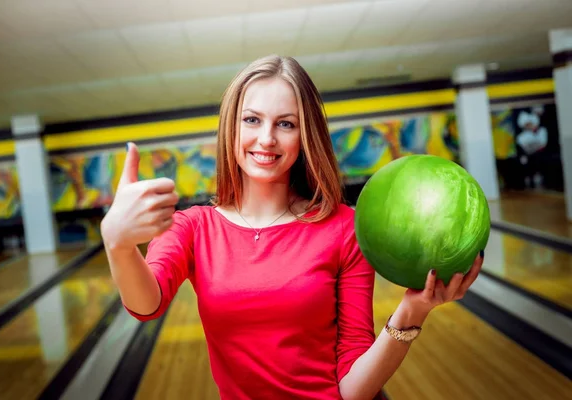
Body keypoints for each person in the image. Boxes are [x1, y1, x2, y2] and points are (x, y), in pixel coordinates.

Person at [100, 55, 484, 400]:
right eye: (252, 119)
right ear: (231, 126)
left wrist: (411, 311)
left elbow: (351, 388)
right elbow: (146, 304)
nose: (266, 138)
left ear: (305, 135)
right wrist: (118, 244)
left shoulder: (344, 229)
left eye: (286, 124)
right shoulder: (193, 227)